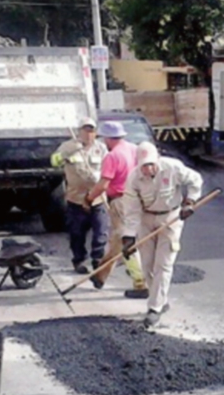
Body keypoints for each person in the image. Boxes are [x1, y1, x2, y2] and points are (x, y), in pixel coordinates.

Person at [122, 142, 203, 329]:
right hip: (146, 219)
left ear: (157, 160)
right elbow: (132, 211)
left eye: (151, 164)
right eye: (144, 165)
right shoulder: (134, 179)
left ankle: (154, 308)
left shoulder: (172, 167)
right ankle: (159, 298)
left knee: (163, 265)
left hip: (171, 218)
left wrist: (189, 202)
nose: (148, 169)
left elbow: (195, 180)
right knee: (147, 264)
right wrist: (128, 237)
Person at [85, 121, 147, 297]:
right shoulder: (133, 149)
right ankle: (101, 275)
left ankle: (140, 281)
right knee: (118, 241)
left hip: (120, 201)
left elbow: (103, 184)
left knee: (125, 240)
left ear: (107, 138)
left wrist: (89, 198)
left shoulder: (112, 156)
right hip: (137, 199)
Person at [51, 118, 109, 274]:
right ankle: (79, 261)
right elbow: (54, 161)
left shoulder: (101, 148)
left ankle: (97, 259)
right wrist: (67, 153)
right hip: (75, 199)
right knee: (77, 233)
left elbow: (109, 169)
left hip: (97, 198)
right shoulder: (68, 146)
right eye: (86, 130)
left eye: (92, 131)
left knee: (101, 232)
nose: (89, 134)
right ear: (79, 131)